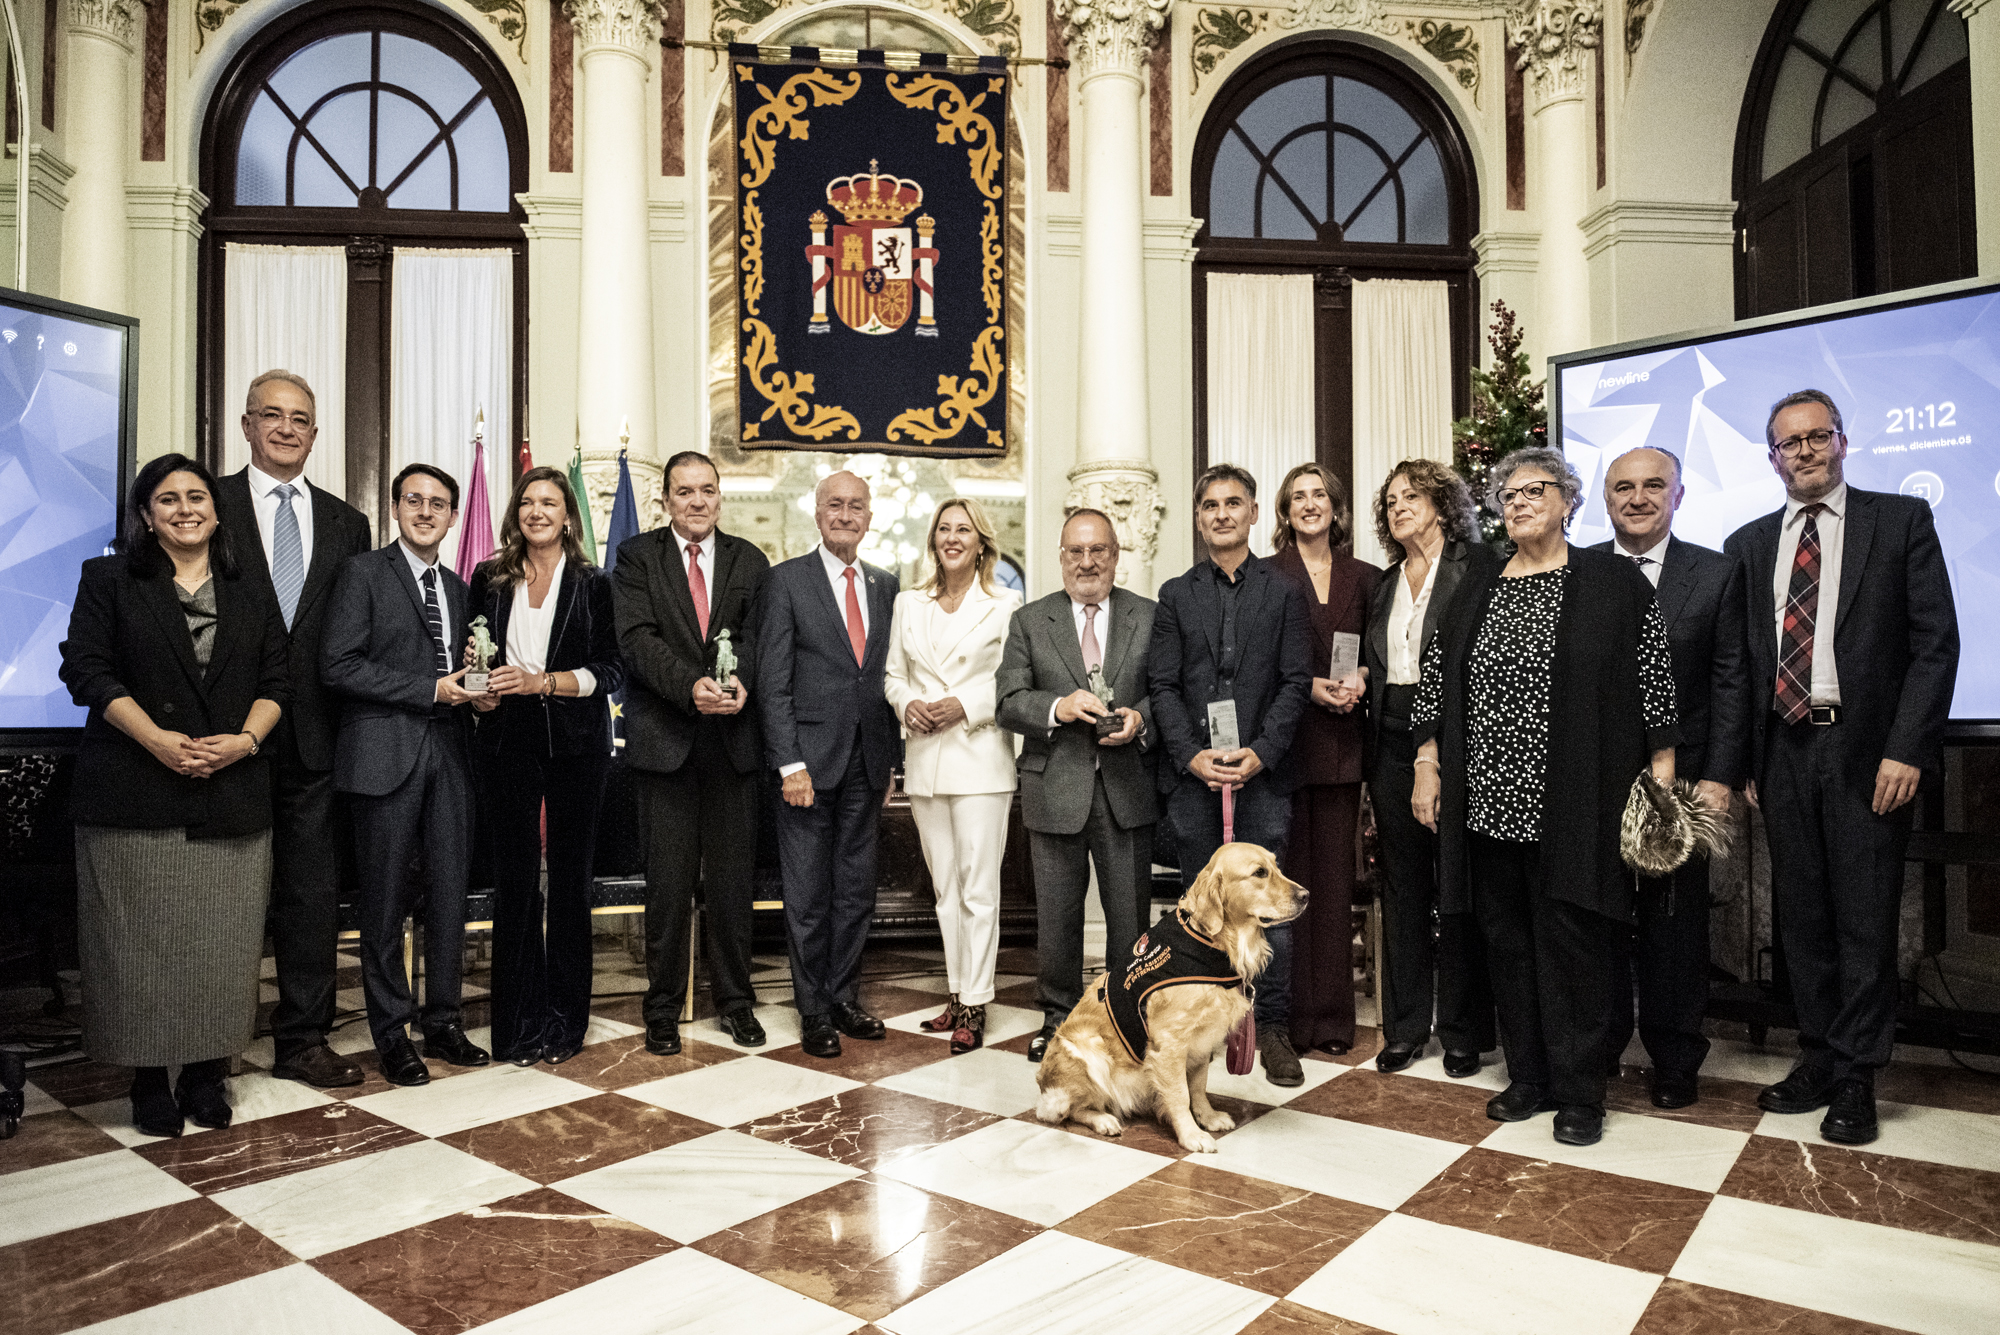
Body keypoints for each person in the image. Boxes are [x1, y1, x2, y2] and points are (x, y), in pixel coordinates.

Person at [1412, 447, 1679, 1147]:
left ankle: (1580, 1090)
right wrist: (1427, 760)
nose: (1519, 502)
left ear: (1568, 502)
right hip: (1487, 802)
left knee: (1576, 947)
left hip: (1576, 802)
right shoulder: (1480, 583)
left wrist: (1662, 772)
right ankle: (1528, 1075)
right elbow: (1437, 676)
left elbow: (1654, 678)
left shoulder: (1611, 581)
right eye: (1509, 493)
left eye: (1535, 490)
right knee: (1507, 943)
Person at [1715, 389, 1958, 1146]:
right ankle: (1817, 1055)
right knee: (1803, 918)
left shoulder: (1900, 521)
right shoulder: (1747, 543)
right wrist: (1744, 758)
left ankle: (1858, 1073)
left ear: (1843, 442)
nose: (1806, 451)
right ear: (1773, 459)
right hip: (1782, 751)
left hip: (1867, 750)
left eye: (1818, 436)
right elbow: (1740, 664)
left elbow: (1935, 644)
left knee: (1864, 917)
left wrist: (1906, 747)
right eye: (1790, 443)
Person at [58, 454, 287, 1137]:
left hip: (231, 790)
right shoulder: (108, 579)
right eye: (167, 499)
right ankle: (148, 1079)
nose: (185, 508)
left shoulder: (250, 587)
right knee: (136, 949)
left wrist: (245, 741)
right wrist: (155, 739)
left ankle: (204, 1073)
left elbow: (278, 679)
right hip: (134, 790)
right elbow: (85, 669)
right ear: (146, 514)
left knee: (221, 947)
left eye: (197, 496)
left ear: (217, 511)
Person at [213, 370, 374, 1089]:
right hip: (223, 737)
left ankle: (303, 1039)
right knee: (222, 896)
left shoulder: (347, 523)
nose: (286, 428)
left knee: (310, 896)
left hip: (315, 737)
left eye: (300, 418)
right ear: (247, 424)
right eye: (271, 415)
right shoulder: (207, 504)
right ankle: (207, 1041)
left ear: (315, 433)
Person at [322, 463, 490, 1087]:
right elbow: (338, 665)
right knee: (385, 903)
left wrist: (479, 693)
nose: (425, 512)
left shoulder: (463, 589)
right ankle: (392, 1034)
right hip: (382, 759)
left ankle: (444, 1022)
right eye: (413, 500)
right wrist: (429, 689)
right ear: (394, 508)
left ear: (453, 517)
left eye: (438, 504)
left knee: (449, 898)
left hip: (453, 757)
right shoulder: (363, 573)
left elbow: (467, 674)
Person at [1149, 464, 1313, 1085]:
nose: (1222, 514)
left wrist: (1261, 753)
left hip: (1262, 779)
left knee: (1269, 903)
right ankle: (1201, 1022)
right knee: (1204, 909)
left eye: (1233, 503)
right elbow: (1163, 686)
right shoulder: (1175, 594)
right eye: (1211, 505)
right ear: (1199, 519)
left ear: (1252, 514)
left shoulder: (1284, 591)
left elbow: (1295, 682)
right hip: (1195, 782)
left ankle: (1270, 1027)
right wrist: (1191, 755)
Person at [1594, 446, 1744, 1109]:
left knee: (1675, 927)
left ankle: (1676, 1058)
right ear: (1606, 499)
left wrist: (1721, 776)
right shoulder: (1581, 570)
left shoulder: (1715, 573)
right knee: (1597, 917)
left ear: (1678, 495)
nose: (1638, 498)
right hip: (1595, 777)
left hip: (1684, 781)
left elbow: (1732, 680)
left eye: (1654, 485)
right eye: (1623, 487)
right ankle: (1599, 1045)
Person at [467, 467, 624, 1066]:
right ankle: (515, 1023)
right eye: (528, 501)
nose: (537, 511)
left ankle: (565, 1020)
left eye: (550, 503)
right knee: (514, 884)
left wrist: (546, 682)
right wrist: (479, 695)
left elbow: (610, 671)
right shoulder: (488, 578)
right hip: (504, 741)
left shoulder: (594, 583)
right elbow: (473, 659)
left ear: (568, 517)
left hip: (578, 746)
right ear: (516, 513)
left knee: (568, 884)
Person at [615, 450, 770, 1055]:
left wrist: (742, 682)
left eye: (707, 490)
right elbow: (636, 640)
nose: (697, 501)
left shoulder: (750, 560)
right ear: (666, 501)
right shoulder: (637, 557)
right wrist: (690, 686)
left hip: (734, 746)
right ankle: (662, 1008)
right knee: (668, 888)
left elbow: (759, 638)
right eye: (685, 491)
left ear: (720, 497)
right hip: (666, 746)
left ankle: (736, 1003)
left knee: (732, 888)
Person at [997, 510, 1156, 1063]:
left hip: (1126, 790)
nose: (1087, 562)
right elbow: (1008, 700)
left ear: (1116, 554)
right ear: (1061, 556)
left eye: (1098, 550)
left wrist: (1141, 719)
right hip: (1054, 789)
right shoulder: (1029, 620)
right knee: (1058, 918)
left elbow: (1170, 692)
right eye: (1075, 552)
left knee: (1130, 920)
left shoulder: (1149, 616)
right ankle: (1058, 1018)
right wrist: (1057, 707)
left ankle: (1125, 1017)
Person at [757, 471, 900, 1060]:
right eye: (834, 505)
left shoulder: (887, 585)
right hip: (807, 769)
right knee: (809, 896)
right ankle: (813, 1009)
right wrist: (789, 763)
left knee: (856, 893)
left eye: (856, 506)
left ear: (869, 518)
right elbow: (773, 682)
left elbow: (887, 679)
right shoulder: (786, 580)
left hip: (868, 764)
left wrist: (890, 763)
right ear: (817, 514)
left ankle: (843, 997)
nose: (845, 515)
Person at [1362, 461, 1498, 1077]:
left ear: (1442, 505)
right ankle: (1406, 1027)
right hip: (1389, 744)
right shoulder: (1384, 584)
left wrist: (1433, 756)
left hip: (1458, 744)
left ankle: (1464, 1031)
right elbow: (1385, 664)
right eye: (1391, 500)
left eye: (1411, 496)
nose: (1398, 507)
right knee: (1404, 887)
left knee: (1459, 885)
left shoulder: (1479, 571)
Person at [885, 498, 1022, 1053]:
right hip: (925, 760)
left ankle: (977, 1002)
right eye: (943, 528)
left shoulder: (1005, 604)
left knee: (979, 891)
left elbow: (1013, 679)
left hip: (981, 759)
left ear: (981, 543)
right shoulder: (908, 603)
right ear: (933, 540)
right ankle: (957, 991)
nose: (952, 537)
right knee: (945, 891)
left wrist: (964, 704)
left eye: (963, 529)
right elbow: (893, 675)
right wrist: (907, 705)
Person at [1265, 464, 1378, 1057]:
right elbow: (1256, 663)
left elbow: (1381, 652)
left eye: (1319, 495)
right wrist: (1309, 686)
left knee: (1332, 889)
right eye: (1298, 497)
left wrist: (1361, 677)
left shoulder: (1367, 577)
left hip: (1341, 748)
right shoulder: (1265, 575)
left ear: (1336, 507)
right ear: (1285, 512)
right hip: (1283, 748)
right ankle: (1285, 1019)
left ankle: (1332, 1019)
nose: (1310, 504)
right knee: (1285, 888)